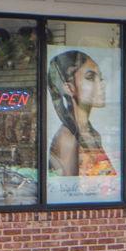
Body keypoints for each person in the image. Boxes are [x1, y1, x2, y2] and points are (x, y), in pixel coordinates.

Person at [46, 48, 115, 185]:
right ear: (69, 88)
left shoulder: (89, 132)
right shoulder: (67, 139)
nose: (101, 84)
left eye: (100, 77)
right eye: (90, 78)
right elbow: (68, 193)